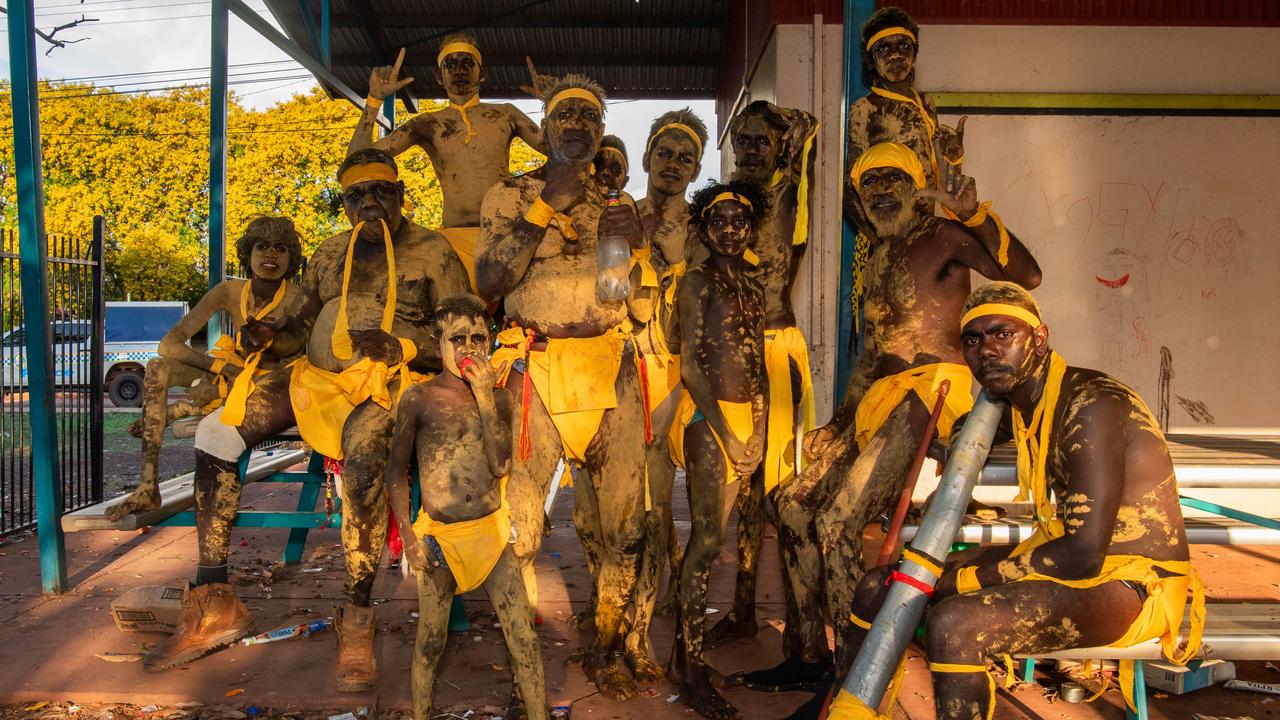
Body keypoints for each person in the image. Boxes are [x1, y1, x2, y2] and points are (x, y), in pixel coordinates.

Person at [142, 150, 469, 693]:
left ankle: (357, 621)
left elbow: (464, 338)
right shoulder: (331, 251)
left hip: (389, 386)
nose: (368, 203)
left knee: (363, 461)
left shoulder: (433, 250)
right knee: (215, 433)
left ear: (400, 195)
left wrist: (406, 345)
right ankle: (216, 599)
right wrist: (266, 336)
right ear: (344, 203)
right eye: (355, 196)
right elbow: (300, 324)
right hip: (312, 378)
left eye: (380, 193)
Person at [755, 143, 1041, 718]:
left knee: (836, 524)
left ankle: (854, 682)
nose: (882, 188)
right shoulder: (880, 253)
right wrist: (840, 420)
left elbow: (1027, 274)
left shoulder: (943, 235)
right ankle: (808, 653)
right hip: (881, 400)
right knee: (788, 504)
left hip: (931, 395)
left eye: (895, 178)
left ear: (917, 186)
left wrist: (976, 215)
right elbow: (874, 351)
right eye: (871, 180)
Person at [830, 281, 1205, 720]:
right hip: (1063, 557)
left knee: (956, 624)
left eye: (1003, 334)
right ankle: (845, 708)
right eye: (973, 339)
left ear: (1039, 339)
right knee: (880, 585)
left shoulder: (1092, 405)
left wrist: (964, 581)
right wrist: (964, 431)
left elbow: (1083, 554)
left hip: (1133, 583)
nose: (987, 351)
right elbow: (985, 429)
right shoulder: (1024, 400)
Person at [475, 75, 649, 701]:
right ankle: (524, 652)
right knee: (520, 525)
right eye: (565, 113)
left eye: (589, 115)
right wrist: (546, 204)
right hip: (534, 367)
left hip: (609, 364)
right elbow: (491, 280)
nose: (577, 122)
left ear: (601, 131)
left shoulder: (616, 199)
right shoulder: (511, 192)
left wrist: (629, 248)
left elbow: (621, 294)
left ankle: (607, 644)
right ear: (545, 128)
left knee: (623, 525)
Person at [386, 294, 546, 720]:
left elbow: (500, 463)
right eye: (457, 338)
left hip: (491, 536)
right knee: (429, 642)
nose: (469, 348)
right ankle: (420, 713)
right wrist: (408, 536)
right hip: (441, 541)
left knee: (524, 639)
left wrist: (484, 394)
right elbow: (395, 473)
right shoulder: (418, 399)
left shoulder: (500, 399)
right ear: (437, 343)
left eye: (479, 337)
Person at [705, 99, 819, 651]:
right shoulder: (727, 211)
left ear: (777, 147)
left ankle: (803, 629)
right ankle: (744, 608)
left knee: (783, 491)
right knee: (744, 493)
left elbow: (804, 167)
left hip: (776, 353)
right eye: (743, 141)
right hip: (733, 363)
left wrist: (797, 149)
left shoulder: (784, 201)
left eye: (760, 141)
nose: (750, 149)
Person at [107, 217, 313, 521]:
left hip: (273, 387)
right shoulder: (229, 291)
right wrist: (218, 365)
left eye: (280, 248)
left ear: (291, 258)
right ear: (248, 254)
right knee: (157, 367)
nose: (270, 255)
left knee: (246, 389)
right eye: (262, 246)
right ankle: (147, 487)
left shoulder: (300, 299)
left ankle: (181, 410)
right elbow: (168, 345)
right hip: (229, 373)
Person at [667, 181, 768, 720]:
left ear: (751, 228)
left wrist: (758, 431)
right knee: (706, 541)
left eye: (739, 221)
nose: (730, 230)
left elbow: (758, 364)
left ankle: (684, 664)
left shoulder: (754, 283)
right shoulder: (698, 280)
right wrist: (728, 436)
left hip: (743, 422)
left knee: (715, 537)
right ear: (704, 229)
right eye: (719, 221)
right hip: (708, 420)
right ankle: (692, 674)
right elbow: (689, 366)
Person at [348, 33, 544, 292]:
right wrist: (373, 100)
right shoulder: (427, 123)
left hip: (506, 235)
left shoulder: (506, 114)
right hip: (453, 238)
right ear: (439, 75)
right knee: (455, 324)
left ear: (481, 72)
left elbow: (563, 153)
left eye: (467, 63)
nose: (459, 70)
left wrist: (554, 102)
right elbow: (356, 162)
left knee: (517, 329)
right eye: (450, 64)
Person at [624, 108, 709, 680]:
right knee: (611, 505)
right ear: (647, 157)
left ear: (697, 168)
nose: (672, 165)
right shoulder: (619, 213)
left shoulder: (704, 225)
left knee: (653, 501)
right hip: (612, 363)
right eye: (664, 153)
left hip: (669, 368)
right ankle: (617, 602)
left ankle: (641, 623)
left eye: (686, 158)